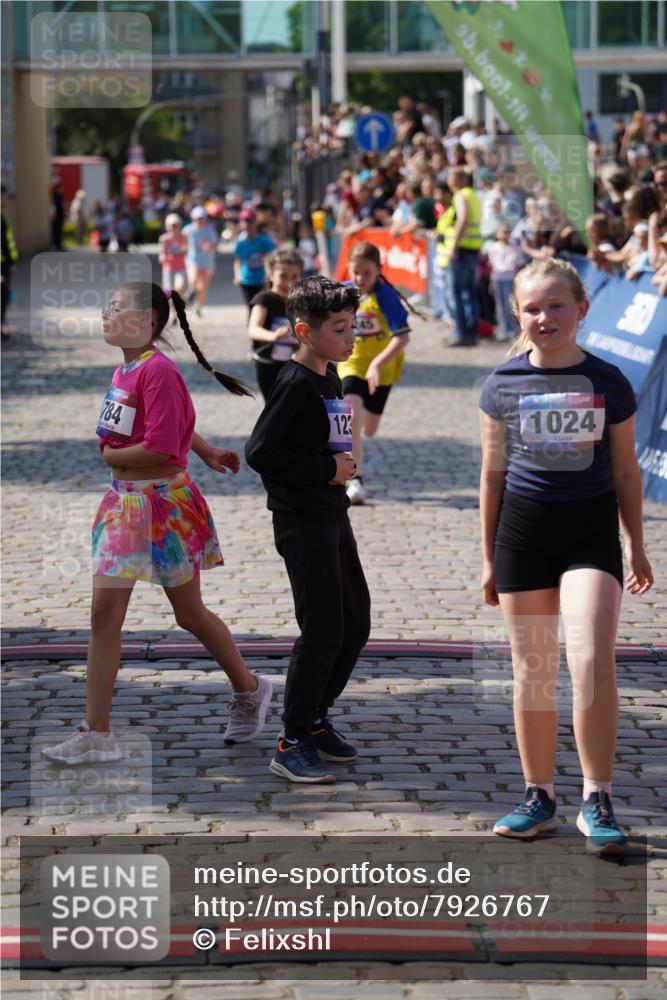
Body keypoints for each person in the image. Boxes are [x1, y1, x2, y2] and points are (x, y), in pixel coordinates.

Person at [43, 282, 273, 765]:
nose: (106, 312)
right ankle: (96, 733)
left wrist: (111, 454)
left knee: (189, 615)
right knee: (103, 617)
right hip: (123, 507)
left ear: (147, 321)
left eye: (116, 306)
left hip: (167, 509)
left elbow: (163, 446)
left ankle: (250, 689)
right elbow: (170, 425)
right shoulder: (126, 368)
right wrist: (207, 450)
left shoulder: (159, 371)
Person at [478, 258, 653, 854]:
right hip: (523, 537)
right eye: (532, 308)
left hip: (589, 535)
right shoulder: (501, 384)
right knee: (532, 672)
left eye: (557, 306)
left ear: (582, 309)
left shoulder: (610, 381)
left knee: (589, 656)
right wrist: (487, 558)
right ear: (517, 314)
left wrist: (637, 543)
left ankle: (597, 796)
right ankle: (539, 795)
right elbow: (491, 476)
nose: (545, 317)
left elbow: (627, 471)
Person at [245, 276, 370, 783]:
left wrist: (337, 465)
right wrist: (326, 470)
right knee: (322, 628)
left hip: (331, 512)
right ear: (304, 331)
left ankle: (315, 718)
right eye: (340, 328)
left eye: (353, 325)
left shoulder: (330, 375)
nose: (351, 335)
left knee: (355, 620)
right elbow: (261, 452)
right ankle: (291, 738)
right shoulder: (295, 384)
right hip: (302, 519)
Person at [337, 241, 413, 505]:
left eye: (366, 273)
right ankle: (355, 478)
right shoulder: (344, 292)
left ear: (379, 270)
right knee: (350, 414)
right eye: (355, 272)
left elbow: (402, 338)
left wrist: (378, 364)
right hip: (352, 363)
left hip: (383, 367)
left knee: (368, 429)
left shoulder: (385, 296)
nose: (360, 279)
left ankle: (356, 460)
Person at [247, 248, 303, 400]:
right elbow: (253, 329)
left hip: (294, 364)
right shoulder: (264, 299)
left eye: (295, 276)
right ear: (270, 274)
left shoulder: (301, 302)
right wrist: (273, 336)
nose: (289, 282)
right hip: (268, 365)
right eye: (283, 276)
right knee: (275, 408)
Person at [439, 167, 483, 346]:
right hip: (472, 249)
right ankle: (471, 333)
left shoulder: (460, 196)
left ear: (457, 180)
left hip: (462, 250)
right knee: (469, 293)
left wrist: (453, 248)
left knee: (456, 293)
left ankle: (461, 333)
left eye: (450, 178)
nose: (448, 182)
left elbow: (463, 219)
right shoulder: (473, 195)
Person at [233, 208, 276, 317]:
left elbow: (274, 258)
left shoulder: (264, 241)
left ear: (255, 223)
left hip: (263, 281)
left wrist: (269, 274)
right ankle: (252, 330)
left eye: (250, 221)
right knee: (251, 307)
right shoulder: (240, 243)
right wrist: (237, 275)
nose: (247, 224)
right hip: (247, 281)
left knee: (264, 307)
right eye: (244, 221)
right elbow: (238, 260)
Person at [486, 222, 523, 341]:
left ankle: (513, 329)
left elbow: (519, 265)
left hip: (510, 278)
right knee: (500, 305)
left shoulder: (514, 248)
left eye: (508, 232)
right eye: (503, 232)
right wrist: (491, 282)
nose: (505, 235)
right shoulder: (493, 248)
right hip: (498, 279)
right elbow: (491, 266)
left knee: (509, 305)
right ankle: (503, 328)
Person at [183, 206, 218, 318]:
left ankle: (198, 306)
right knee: (193, 280)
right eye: (196, 218)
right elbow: (180, 241)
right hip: (193, 260)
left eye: (201, 218)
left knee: (203, 288)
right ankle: (190, 293)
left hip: (208, 263)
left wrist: (210, 247)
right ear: (193, 219)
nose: (199, 221)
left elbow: (216, 246)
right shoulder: (188, 230)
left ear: (205, 219)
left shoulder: (210, 230)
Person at [1, 185, 18, 341]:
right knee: (3, 295)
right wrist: (11, 261)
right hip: (2, 265)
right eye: (4, 195)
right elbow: (4, 242)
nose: (5, 198)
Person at [158, 213, 188, 298]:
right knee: (168, 290)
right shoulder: (164, 239)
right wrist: (162, 257)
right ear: (167, 226)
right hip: (169, 267)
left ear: (179, 226)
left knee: (181, 286)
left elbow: (186, 249)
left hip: (180, 266)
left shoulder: (183, 237)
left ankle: (177, 300)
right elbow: (162, 252)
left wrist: (182, 251)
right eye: (171, 226)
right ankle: (171, 306)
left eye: (176, 225)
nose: (173, 228)